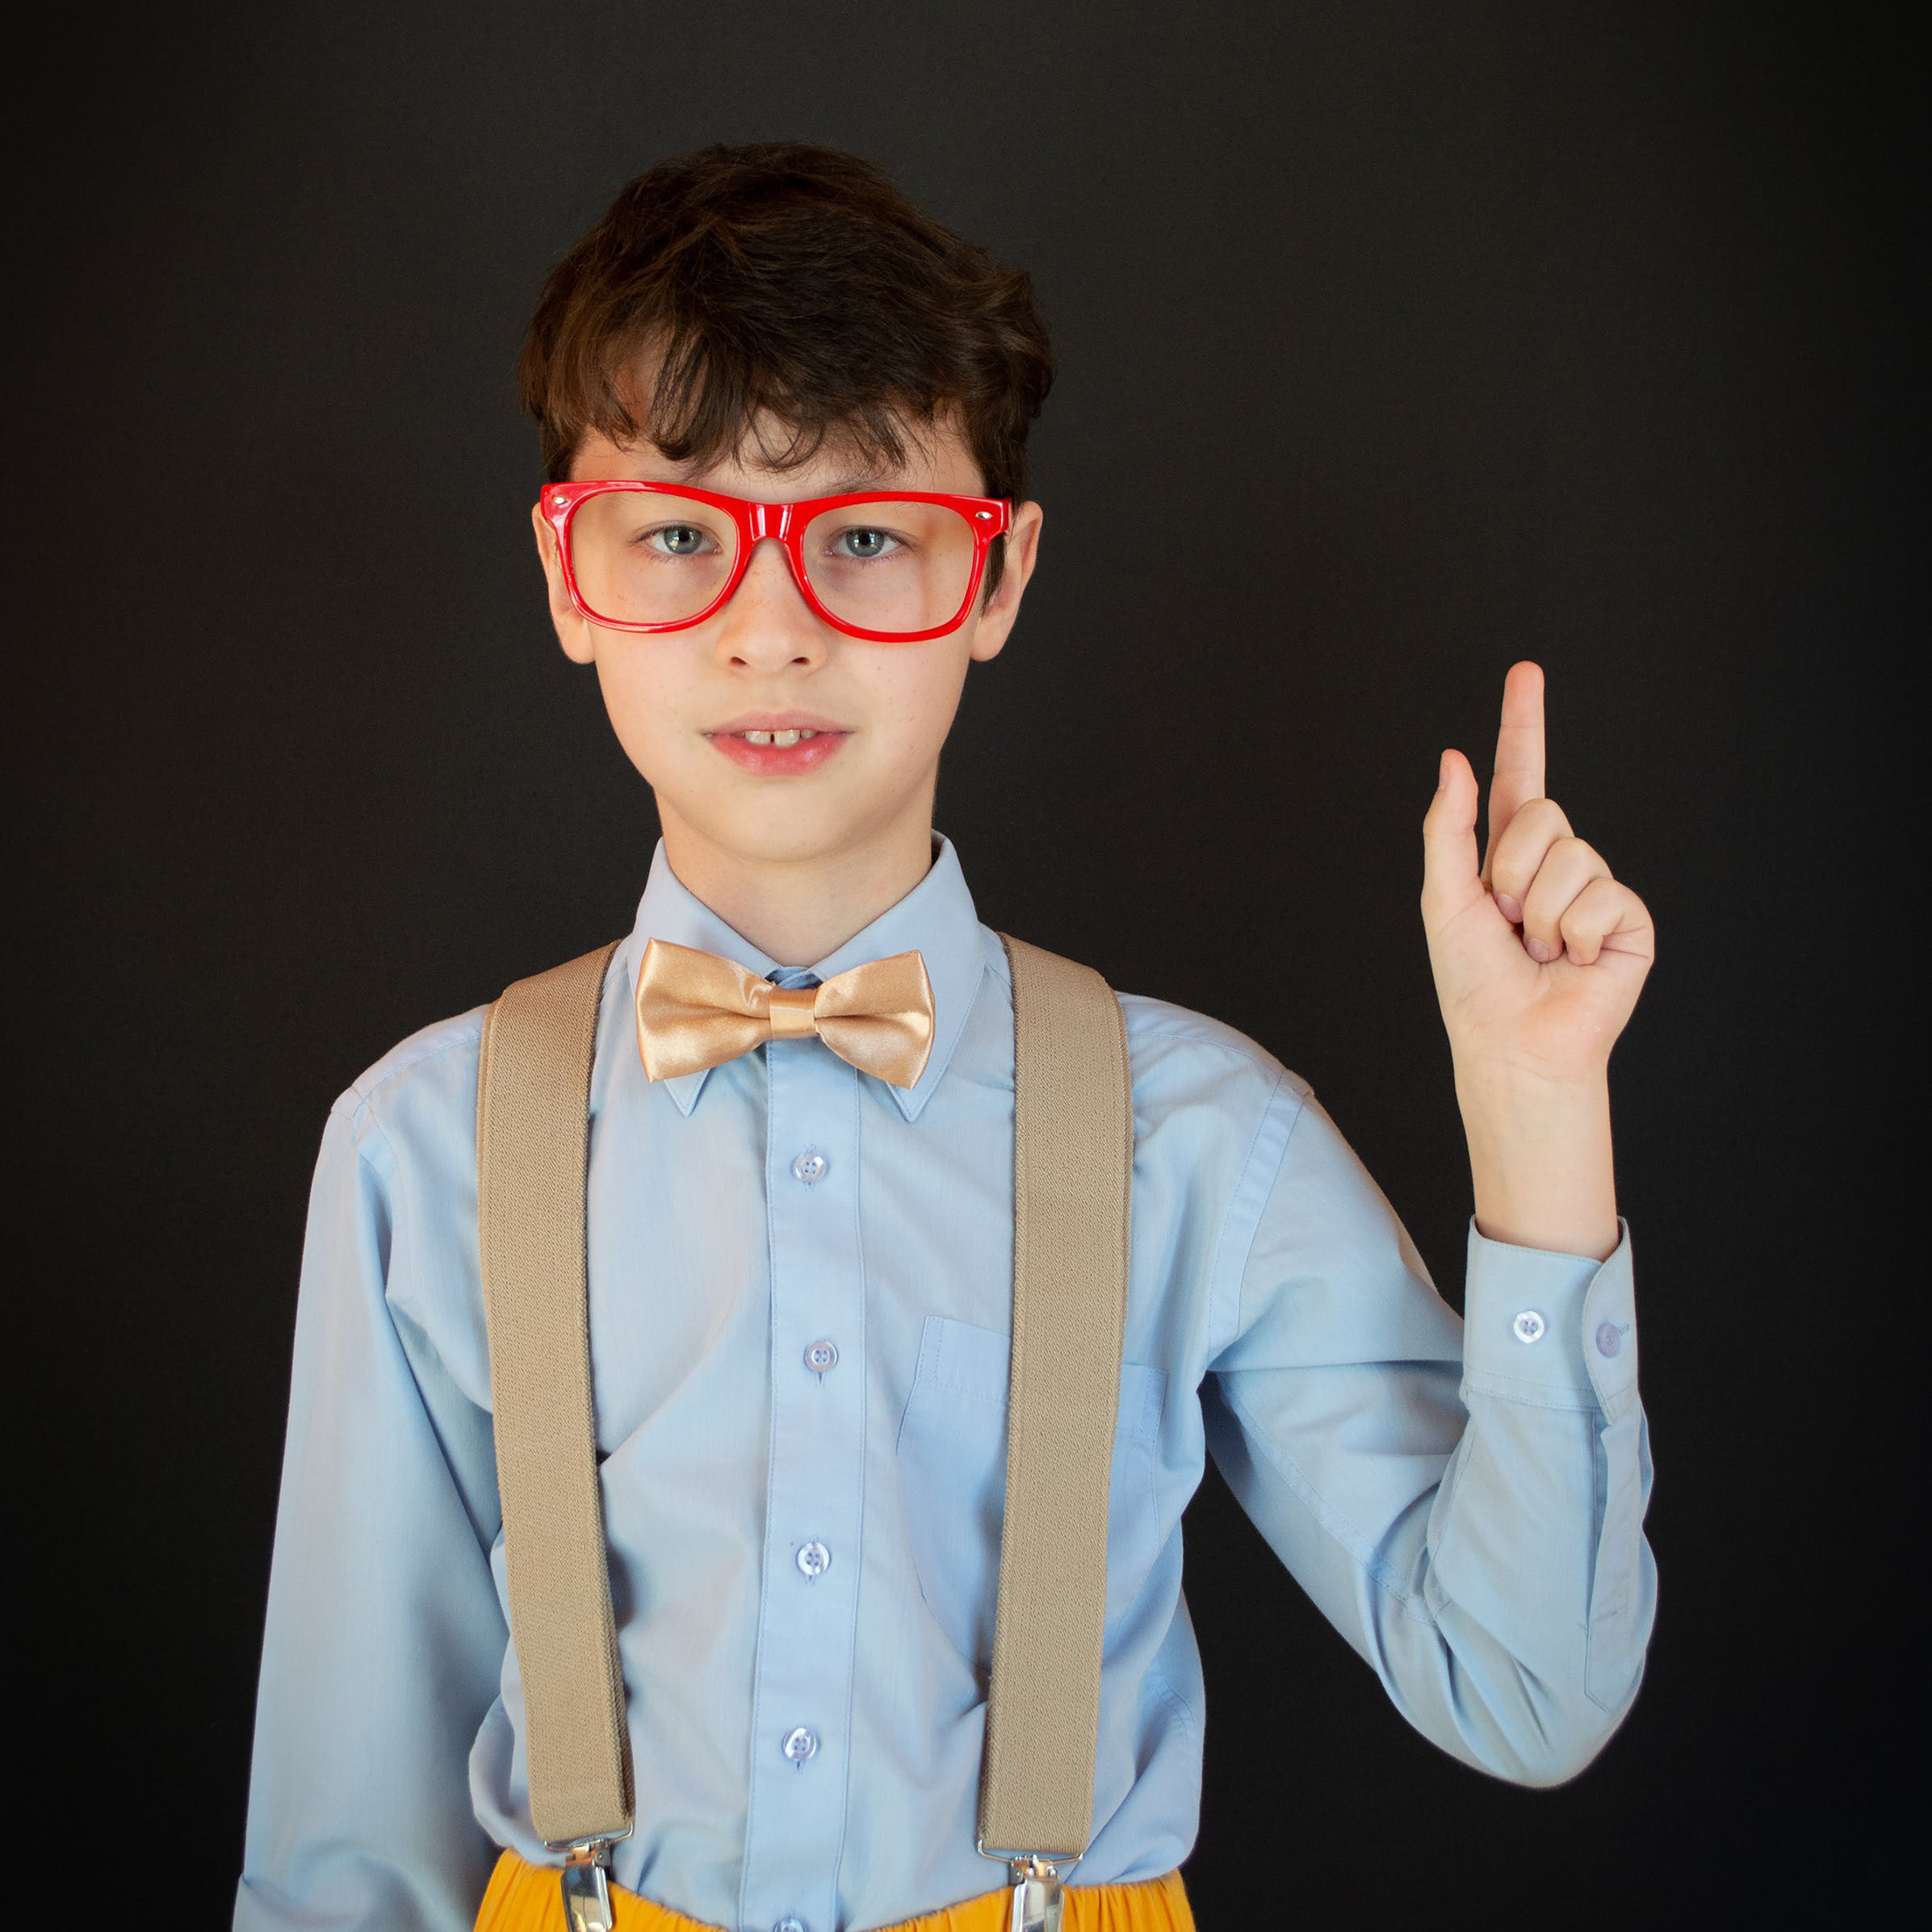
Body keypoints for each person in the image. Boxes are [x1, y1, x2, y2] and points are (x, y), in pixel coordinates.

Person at [233, 140, 1657, 1932]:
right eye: (678, 532)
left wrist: (1535, 1112)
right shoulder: (418, 1140)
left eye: (866, 538)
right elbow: (341, 1846)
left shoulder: (1200, 1131)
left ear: (992, 580)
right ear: (566, 573)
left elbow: (1521, 1689)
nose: (767, 630)